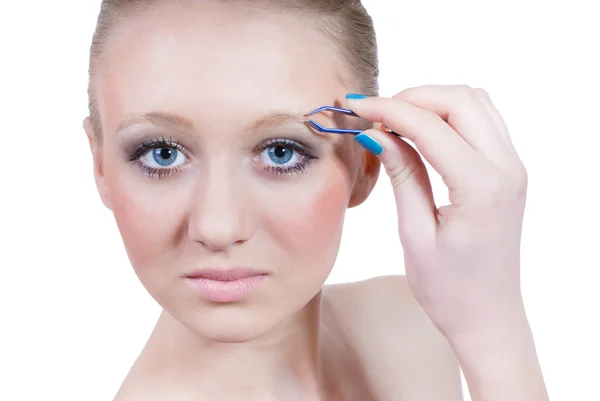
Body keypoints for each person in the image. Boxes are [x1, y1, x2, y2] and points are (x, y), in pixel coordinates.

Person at [84, 1, 549, 400]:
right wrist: (494, 338)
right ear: (100, 164)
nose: (218, 226)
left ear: (367, 163)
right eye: (161, 154)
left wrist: (487, 323)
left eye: (280, 152)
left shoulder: (413, 321)